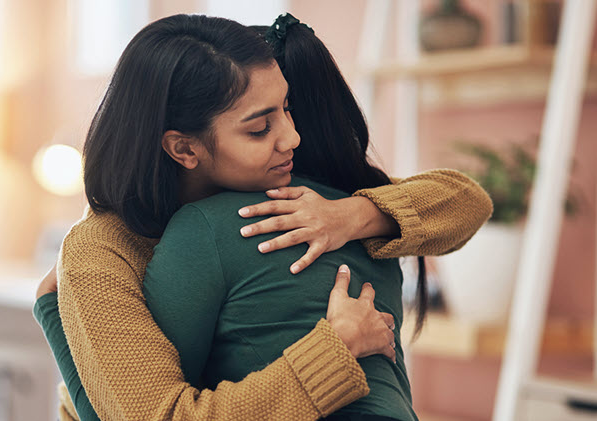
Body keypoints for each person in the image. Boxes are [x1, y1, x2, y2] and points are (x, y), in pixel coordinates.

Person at [33, 14, 492, 421]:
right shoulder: (103, 250)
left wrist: (351, 215)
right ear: (184, 148)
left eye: (286, 108)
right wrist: (337, 348)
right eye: (259, 128)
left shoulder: (296, 199)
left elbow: (466, 201)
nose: (291, 137)